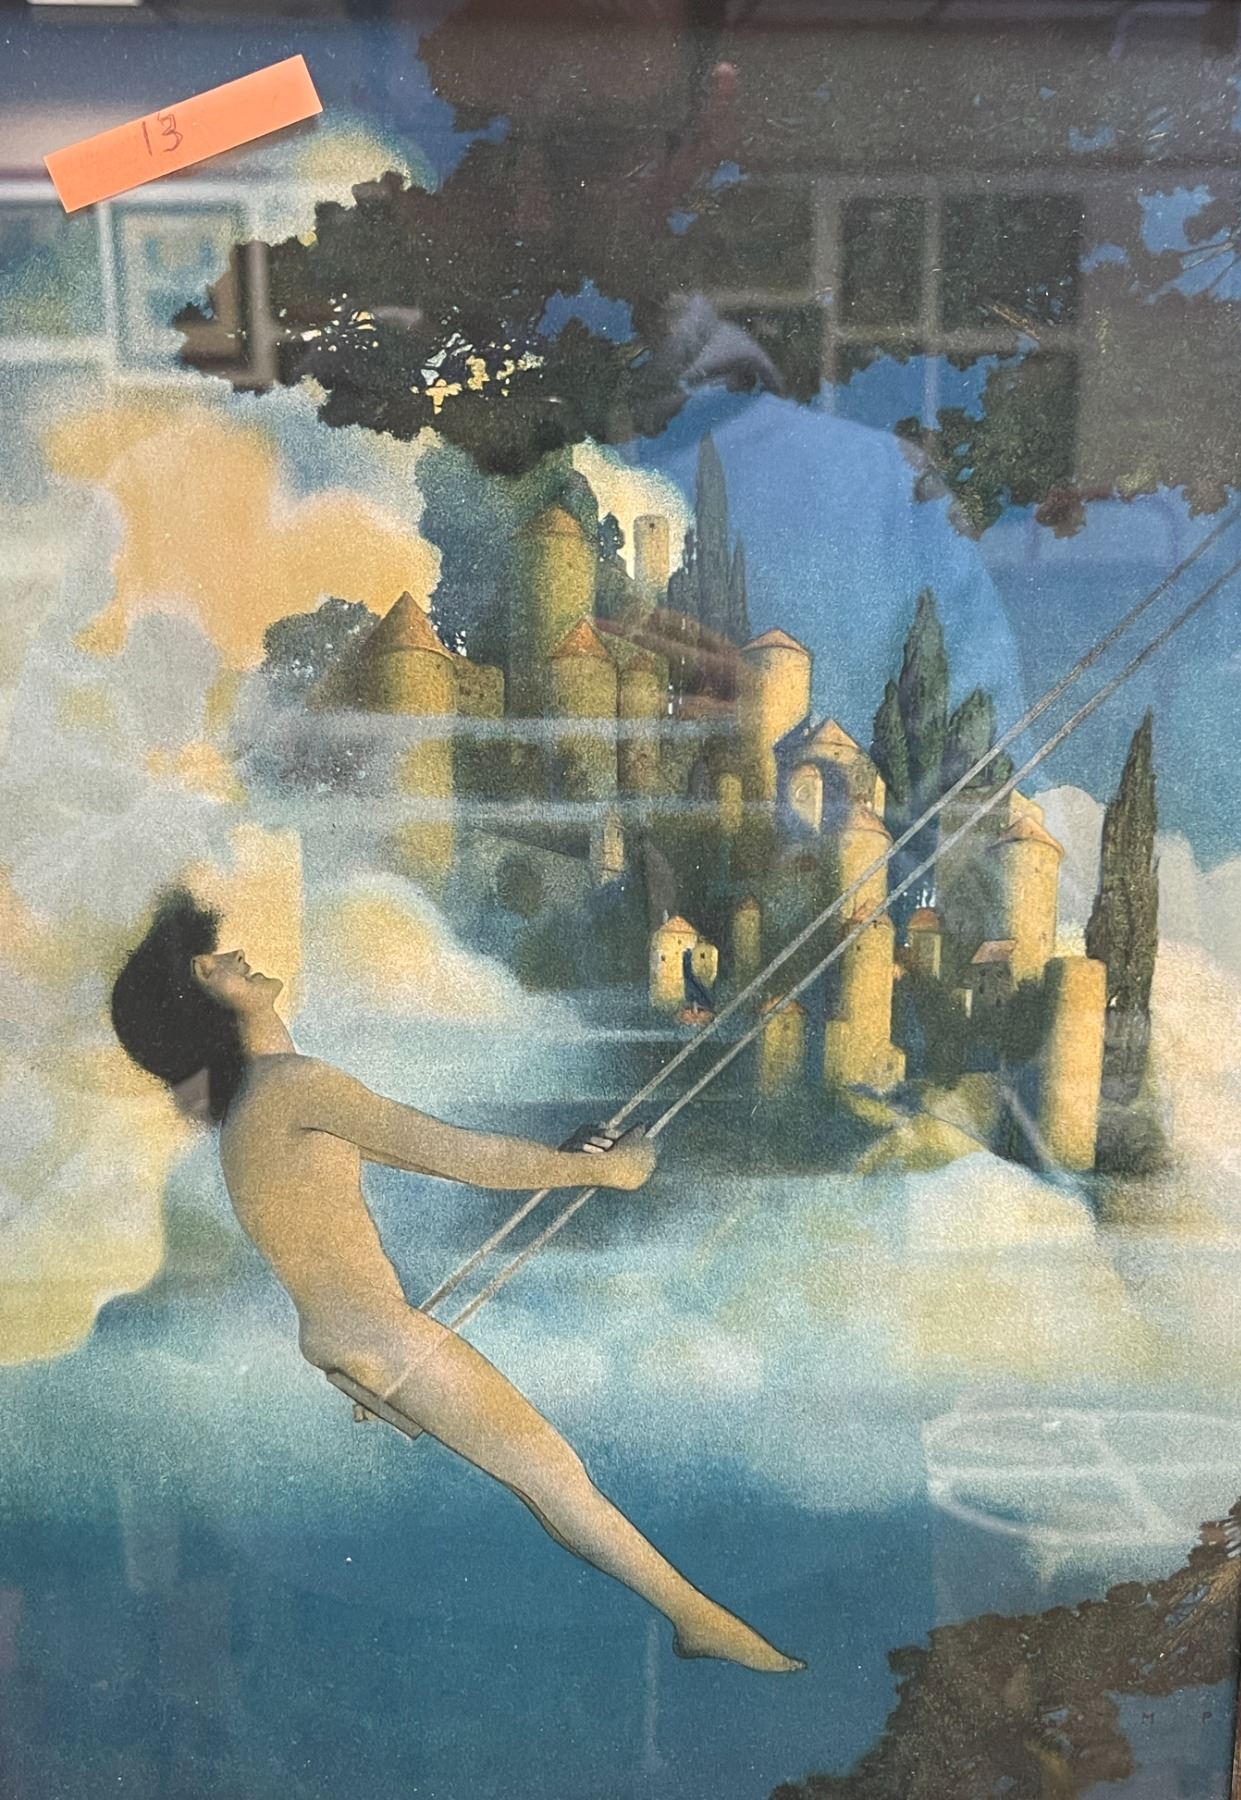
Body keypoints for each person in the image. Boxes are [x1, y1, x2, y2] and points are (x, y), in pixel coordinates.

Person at [110, 887, 804, 1674]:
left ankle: (692, 1618)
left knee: (543, 1480)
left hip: (350, 1341)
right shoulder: (291, 1086)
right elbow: (456, 1155)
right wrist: (610, 1173)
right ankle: (697, 1621)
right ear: (199, 1009)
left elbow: (409, 1155)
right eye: (208, 967)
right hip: (378, 1339)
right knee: (556, 1478)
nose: (231, 955)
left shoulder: (260, 1105)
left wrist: (566, 1163)